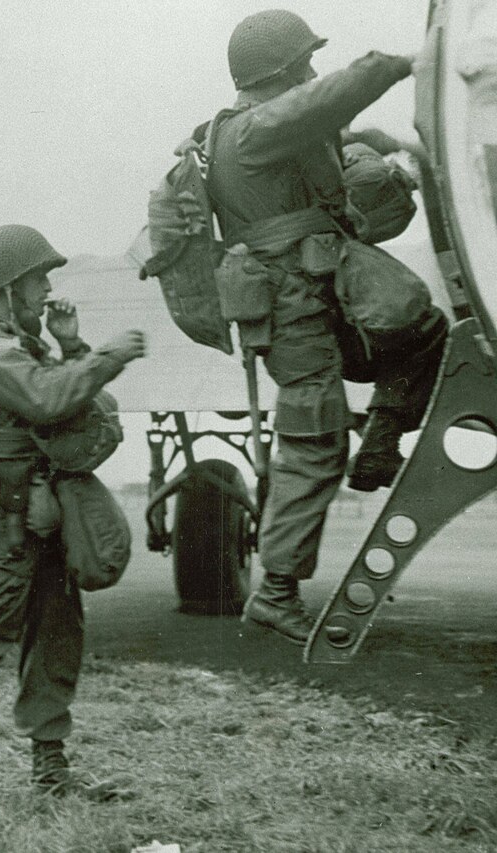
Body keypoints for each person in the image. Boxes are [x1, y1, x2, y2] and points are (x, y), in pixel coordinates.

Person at [207, 10, 447, 644]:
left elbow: (326, 133)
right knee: (313, 445)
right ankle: (276, 594)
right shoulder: (252, 131)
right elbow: (327, 99)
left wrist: (382, 141)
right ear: (281, 73)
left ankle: (381, 440)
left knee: (422, 331)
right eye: (303, 64)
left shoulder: (264, 136)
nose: (312, 71)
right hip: (294, 308)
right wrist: (410, 62)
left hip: (318, 296)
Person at [0, 224, 145, 806]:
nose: (47, 289)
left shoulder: (19, 343)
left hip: (42, 517)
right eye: (40, 278)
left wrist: (71, 346)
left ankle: (50, 773)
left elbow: (73, 405)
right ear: (10, 285)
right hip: (0, 524)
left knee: (56, 639)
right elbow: (45, 399)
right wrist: (109, 355)